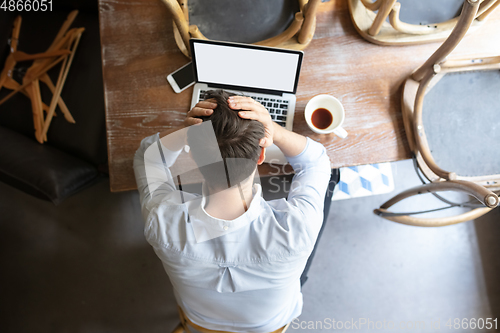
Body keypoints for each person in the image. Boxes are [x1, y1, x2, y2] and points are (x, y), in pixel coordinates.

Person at [133, 90, 337, 333]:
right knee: (333, 176)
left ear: (195, 161)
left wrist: (188, 134)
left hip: (199, 324)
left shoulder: (162, 223)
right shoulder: (298, 230)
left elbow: (148, 157)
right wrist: (275, 129)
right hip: (270, 327)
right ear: (261, 154)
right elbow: (317, 161)